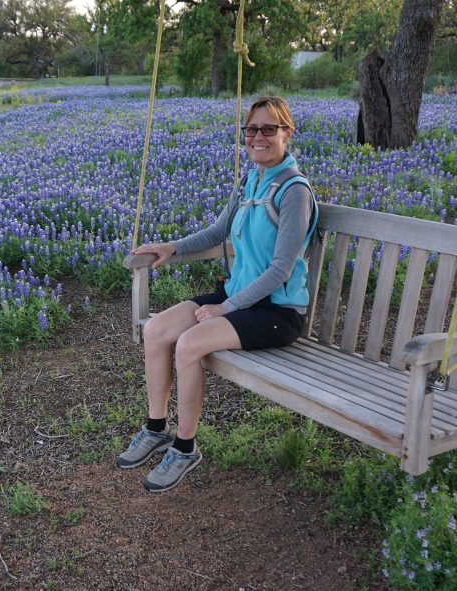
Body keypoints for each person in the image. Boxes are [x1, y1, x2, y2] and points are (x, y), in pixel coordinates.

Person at [117, 96, 317, 493]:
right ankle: (156, 428)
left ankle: (185, 448)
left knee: (189, 344)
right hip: (240, 296)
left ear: (287, 133)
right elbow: (217, 232)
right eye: (251, 130)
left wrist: (226, 307)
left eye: (269, 129)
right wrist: (171, 247)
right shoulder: (249, 180)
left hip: (276, 311)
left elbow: (280, 269)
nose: (258, 137)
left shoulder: (294, 192)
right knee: (157, 329)